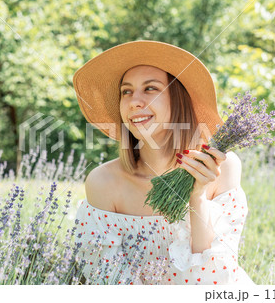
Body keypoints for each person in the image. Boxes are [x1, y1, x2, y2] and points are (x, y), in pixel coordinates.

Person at [71, 40, 255, 285]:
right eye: (126, 91)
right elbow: (107, 281)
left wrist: (197, 197)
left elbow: (217, 279)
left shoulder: (223, 168)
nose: (134, 101)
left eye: (150, 89)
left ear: (178, 99)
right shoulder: (104, 182)